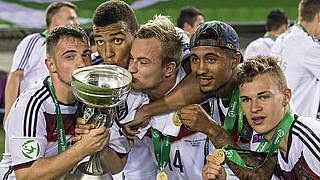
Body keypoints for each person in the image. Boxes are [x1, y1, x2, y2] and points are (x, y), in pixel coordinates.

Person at [0, 25, 110, 180]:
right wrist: (82, 149)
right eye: (70, 57)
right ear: (50, 65)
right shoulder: (33, 105)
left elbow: (116, 165)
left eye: (86, 55)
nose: (82, 64)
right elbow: (26, 176)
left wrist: (99, 142)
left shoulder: (90, 101)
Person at [176, 21, 279, 180]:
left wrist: (211, 128)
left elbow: (261, 176)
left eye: (211, 59)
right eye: (195, 59)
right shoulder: (209, 91)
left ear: (234, 60)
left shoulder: (260, 98)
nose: (200, 69)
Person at [203, 55, 320, 179]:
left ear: (286, 97)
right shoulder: (275, 154)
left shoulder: (311, 138)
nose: (254, 108)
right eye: (246, 100)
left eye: (263, 97)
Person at [4, 1, 78, 127]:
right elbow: (16, 75)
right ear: (55, 20)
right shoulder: (35, 41)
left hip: (66, 116)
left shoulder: (73, 48)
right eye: (71, 18)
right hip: (35, 112)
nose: (76, 23)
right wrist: (9, 114)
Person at [271, 0, 320, 118]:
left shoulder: (281, 39)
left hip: (278, 119)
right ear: (319, 16)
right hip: (298, 125)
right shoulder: (308, 47)